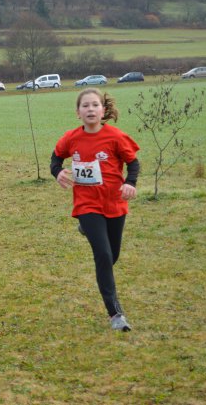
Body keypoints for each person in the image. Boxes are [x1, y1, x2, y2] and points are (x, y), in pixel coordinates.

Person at [50, 88, 140, 332]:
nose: (90, 109)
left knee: (112, 256)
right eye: (85, 105)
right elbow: (55, 159)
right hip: (86, 204)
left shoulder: (116, 137)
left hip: (114, 203)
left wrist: (130, 183)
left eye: (95, 105)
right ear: (78, 112)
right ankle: (115, 314)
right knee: (103, 255)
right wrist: (58, 172)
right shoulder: (71, 138)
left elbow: (133, 163)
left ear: (103, 110)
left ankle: (86, 229)